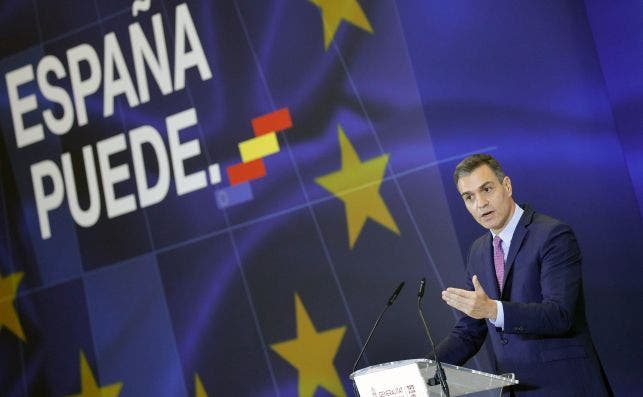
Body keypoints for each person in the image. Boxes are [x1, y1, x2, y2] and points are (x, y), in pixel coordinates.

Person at [435, 154, 610, 396]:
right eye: (469, 197)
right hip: (515, 389)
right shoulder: (477, 251)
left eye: (486, 189)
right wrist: (423, 370)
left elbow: (559, 315)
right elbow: (469, 332)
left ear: (506, 186)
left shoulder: (552, 235)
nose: (481, 203)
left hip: (566, 386)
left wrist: (493, 310)